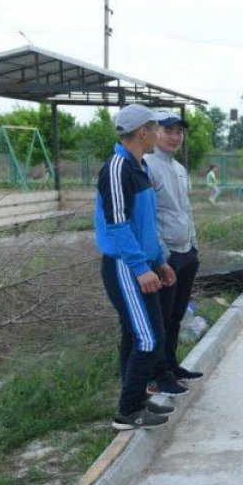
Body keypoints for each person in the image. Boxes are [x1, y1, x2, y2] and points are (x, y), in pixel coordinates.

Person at [94, 104, 180, 430]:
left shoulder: (139, 167)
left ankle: (137, 399)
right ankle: (127, 411)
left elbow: (144, 225)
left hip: (141, 263)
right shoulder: (117, 169)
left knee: (141, 336)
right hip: (124, 266)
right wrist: (141, 268)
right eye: (156, 128)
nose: (160, 133)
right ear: (143, 132)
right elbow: (117, 226)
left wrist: (158, 262)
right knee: (147, 339)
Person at [146, 112, 205, 384]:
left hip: (186, 252)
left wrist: (193, 246)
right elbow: (149, 216)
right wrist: (162, 255)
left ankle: (172, 364)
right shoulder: (148, 165)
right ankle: (159, 374)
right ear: (155, 132)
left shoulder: (180, 169)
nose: (174, 137)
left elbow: (185, 209)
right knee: (162, 316)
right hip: (167, 254)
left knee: (177, 314)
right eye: (168, 131)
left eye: (179, 132)